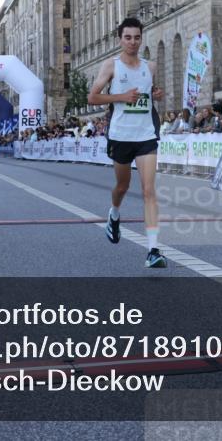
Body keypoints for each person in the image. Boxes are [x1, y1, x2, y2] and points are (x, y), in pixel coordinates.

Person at [87, 17, 167, 268]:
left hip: (145, 135)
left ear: (142, 39)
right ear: (120, 39)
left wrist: (157, 94)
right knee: (122, 186)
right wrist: (121, 96)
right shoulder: (111, 66)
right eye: (128, 37)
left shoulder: (150, 66)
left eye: (137, 37)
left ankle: (153, 250)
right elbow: (92, 98)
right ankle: (114, 213)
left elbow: (151, 92)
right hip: (121, 135)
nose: (132, 42)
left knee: (149, 191)